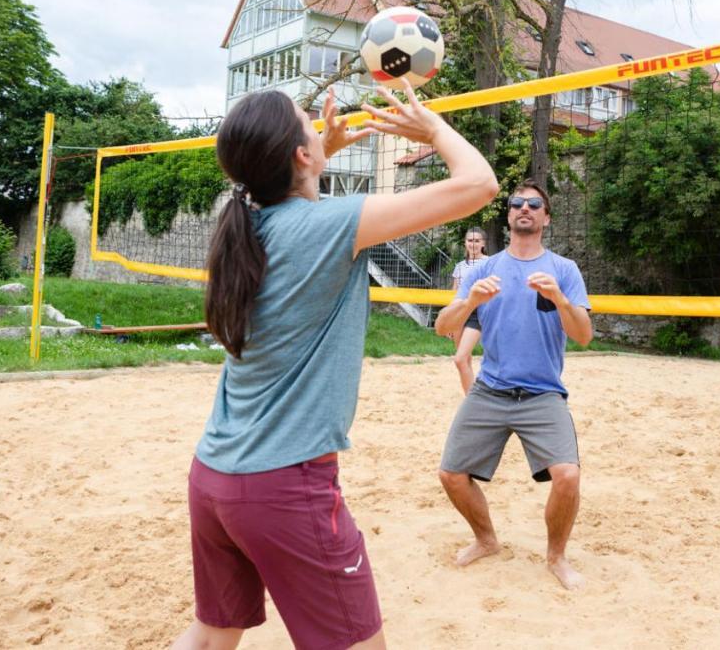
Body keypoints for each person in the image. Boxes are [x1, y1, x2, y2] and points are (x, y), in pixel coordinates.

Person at [172, 82, 497, 650]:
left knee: (211, 633)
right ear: (299, 154)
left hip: (214, 479)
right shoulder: (329, 225)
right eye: (309, 124)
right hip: (283, 486)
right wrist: (432, 128)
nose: (324, 125)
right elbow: (480, 184)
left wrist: (320, 154)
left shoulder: (245, 229)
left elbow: (288, 200)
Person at [433, 180, 593, 590]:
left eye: (534, 204)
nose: (525, 208)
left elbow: (584, 336)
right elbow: (441, 327)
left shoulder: (564, 270)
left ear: (546, 217)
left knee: (568, 477)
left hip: (542, 393)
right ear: (508, 216)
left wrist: (559, 299)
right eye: (517, 203)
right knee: (451, 475)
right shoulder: (484, 269)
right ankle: (486, 540)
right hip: (490, 389)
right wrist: (470, 303)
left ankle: (556, 557)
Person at [448, 227, 489, 394]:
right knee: (463, 359)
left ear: (483, 244)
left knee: (460, 358)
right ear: (465, 243)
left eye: (476, 240)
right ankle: (471, 396)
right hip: (460, 312)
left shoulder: (490, 262)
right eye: (470, 240)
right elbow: (454, 293)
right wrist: (450, 320)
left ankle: (474, 398)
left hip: (479, 312)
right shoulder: (459, 267)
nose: (473, 244)